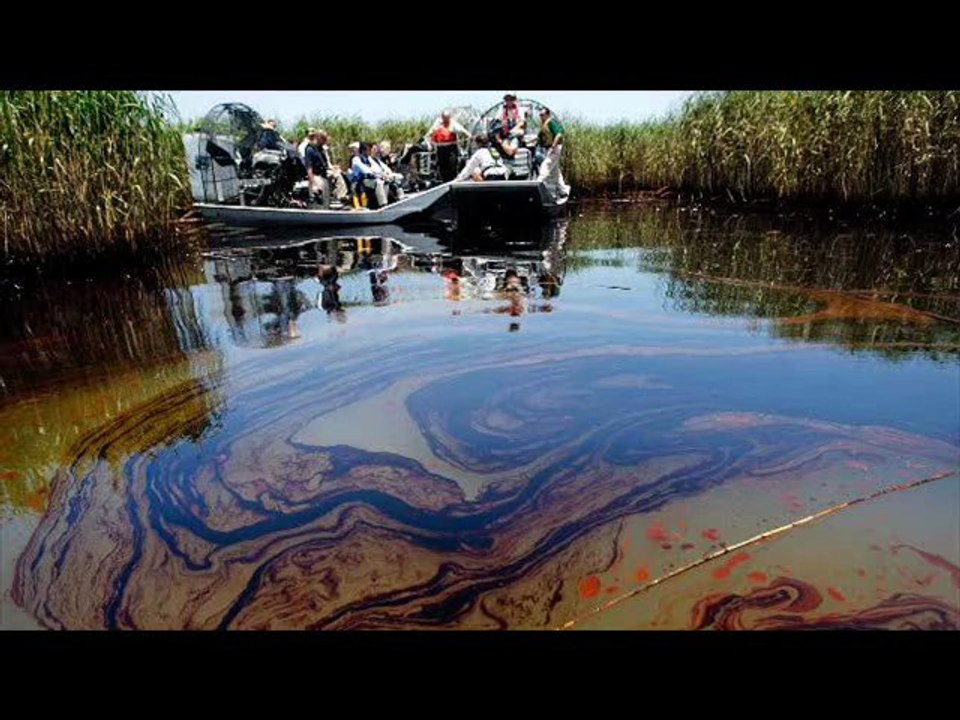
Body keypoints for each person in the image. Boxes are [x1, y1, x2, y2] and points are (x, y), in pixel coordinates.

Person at [424, 110, 472, 183]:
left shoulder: (453, 124)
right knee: (442, 166)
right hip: (440, 149)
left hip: (451, 148)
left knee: (452, 165)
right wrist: (429, 144)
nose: (445, 121)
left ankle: (452, 180)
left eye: (447, 119)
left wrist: (469, 136)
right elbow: (429, 135)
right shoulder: (438, 124)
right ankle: (444, 181)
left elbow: (463, 131)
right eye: (444, 118)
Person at [536, 107, 570, 198]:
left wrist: (553, 146)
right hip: (549, 148)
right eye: (540, 115)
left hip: (554, 148)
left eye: (542, 115)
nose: (541, 117)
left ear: (547, 115)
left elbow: (559, 134)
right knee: (555, 171)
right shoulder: (544, 124)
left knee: (546, 165)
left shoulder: (551, 122)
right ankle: (563, 190)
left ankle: (538, 183)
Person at [351, 141, 388, 207]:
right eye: (368, 150)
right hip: (359, 182)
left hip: (367, 180)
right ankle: (383, 204)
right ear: (363, 150)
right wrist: (377, 174)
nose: (370, 151)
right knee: (378, 182)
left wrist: (383, 174)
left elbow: (376, 169)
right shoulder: (356, 159)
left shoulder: (369, 159)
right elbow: (365, 170)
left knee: (385, 182)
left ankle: (386, 200)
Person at [303, 130, 331, 207]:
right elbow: (309, 167)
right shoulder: (310, 150)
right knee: (317, 202)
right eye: (324, 139)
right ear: (318, 138)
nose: (325, 142)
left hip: (323, 176)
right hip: (316, 177)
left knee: (325, 202)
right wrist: (313, 183)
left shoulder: (321, 150)